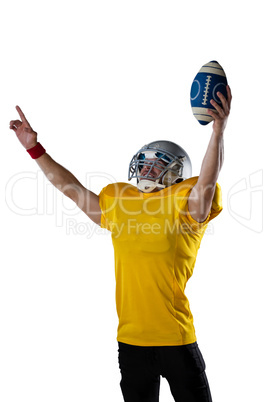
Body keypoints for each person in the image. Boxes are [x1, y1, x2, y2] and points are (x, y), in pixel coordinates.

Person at [9, 85, 232, 402]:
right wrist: (35, 149)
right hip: (130, 340)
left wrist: (218, 131)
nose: (146, 168)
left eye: (156, 164)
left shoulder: (187, 201)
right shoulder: (120, 199)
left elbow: (208, 182)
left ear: (176, 171)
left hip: (176, 337)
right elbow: (70, 189)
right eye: (145, 162)